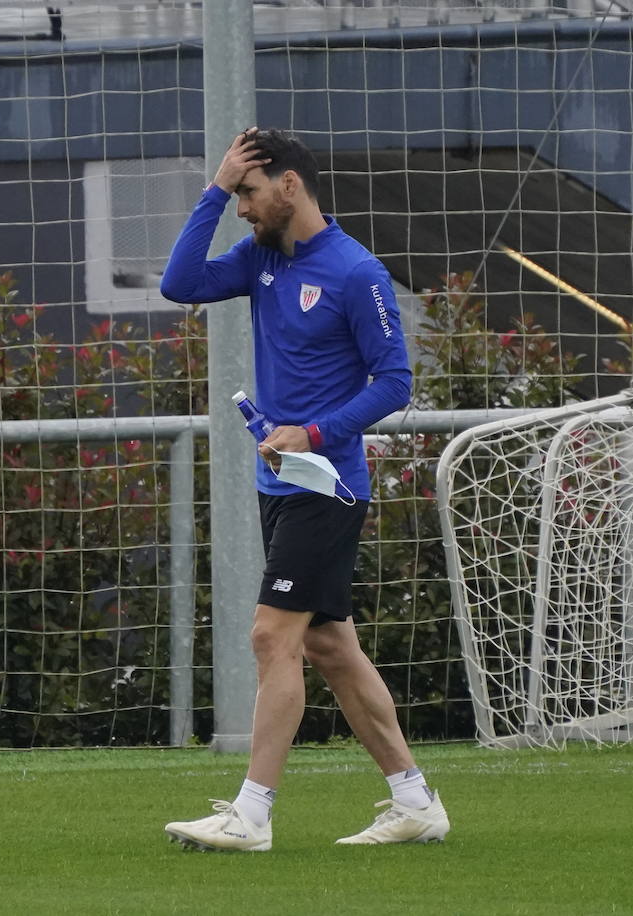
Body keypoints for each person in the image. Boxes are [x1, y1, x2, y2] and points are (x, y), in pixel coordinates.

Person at [157, 127, 450, 851]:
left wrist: (312, 434)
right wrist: (215, 188)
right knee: (328, 645)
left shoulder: (356, 272)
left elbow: (395, 382)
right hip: (280, 481)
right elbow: (180, 284)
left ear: (291, 186)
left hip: (329, 483)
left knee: (271, 637)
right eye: (238, 197)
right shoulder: (258, 258)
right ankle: (415, 801)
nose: (244, 210)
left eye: (250, 194)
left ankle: (252, 815)